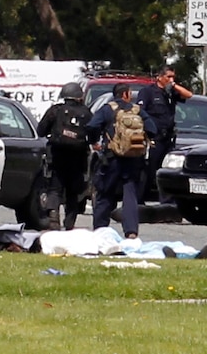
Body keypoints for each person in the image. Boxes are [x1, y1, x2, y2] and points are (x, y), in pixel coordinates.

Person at [87, 83, 158, 239]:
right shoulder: (137, 110)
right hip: (133, 160)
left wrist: (94, 142)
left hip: (111, 159)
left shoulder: (107, 110)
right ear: (126, 94)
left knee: (105, 193)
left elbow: (92, 126)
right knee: (130, 194)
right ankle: (131, 231)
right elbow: (153, 129)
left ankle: (100, 230)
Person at [37, 82, 93, 231]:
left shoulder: (55, 110)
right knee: (73, 191)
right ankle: (70, 223)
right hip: (78, 157)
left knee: (55, 188)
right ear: (79, 97)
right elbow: (93, 134)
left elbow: (40, 130)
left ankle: (53, 216)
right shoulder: (86, 113)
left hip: (57, 155)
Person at [136, 65, 193, 202]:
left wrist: (174, 86)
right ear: (159, 77)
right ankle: (139, 200)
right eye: (168, 77)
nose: (171, 79)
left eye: (173, 77)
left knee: (168, 170)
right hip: (154, 138)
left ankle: (167, 203)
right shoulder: (148, 92)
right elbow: (140, 112)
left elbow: (189, 95)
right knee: (149, 171)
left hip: (168, 138)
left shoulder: (171, 92)